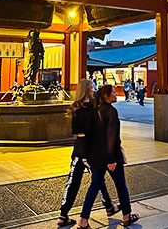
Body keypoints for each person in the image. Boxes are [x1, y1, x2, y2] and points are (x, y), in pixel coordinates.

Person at [57, 80, 119, 227]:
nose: (94, 89)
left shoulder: (75, 107)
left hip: (78, 149)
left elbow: (76, 130)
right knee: (97, 180)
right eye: (92, 87)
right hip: (90, 151)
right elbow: (95, 129)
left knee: (73, 182)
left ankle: (63, 215)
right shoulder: (93, 107)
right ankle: (106, 208)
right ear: (87, 90)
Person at [77, 85, 139, 228]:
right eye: (112, 93)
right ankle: (126, 216)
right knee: (121, 185)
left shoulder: (95, 109)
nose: (115, 94)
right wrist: (111, 158)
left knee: (94, 187)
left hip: (95, 156)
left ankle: (83, 220)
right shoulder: (111, 111)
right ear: (106, 96)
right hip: (110, 155)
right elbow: (112, 136)